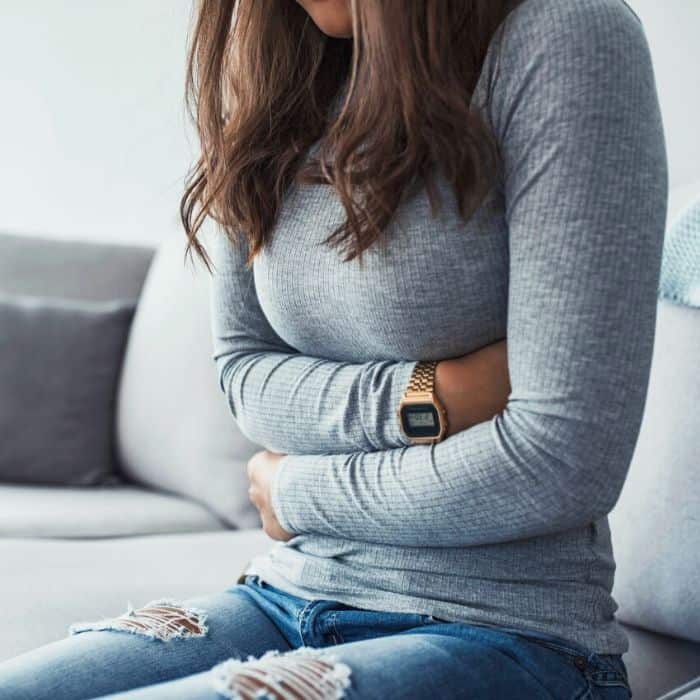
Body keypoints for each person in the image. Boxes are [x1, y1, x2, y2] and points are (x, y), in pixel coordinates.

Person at [0, 0, 667, 697]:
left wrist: (296, 489)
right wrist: (433, 395)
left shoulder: (566, 36)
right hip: (286, 593)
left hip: (509, 631)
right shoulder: (268, 74)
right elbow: (243, 376)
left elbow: (560, 463)